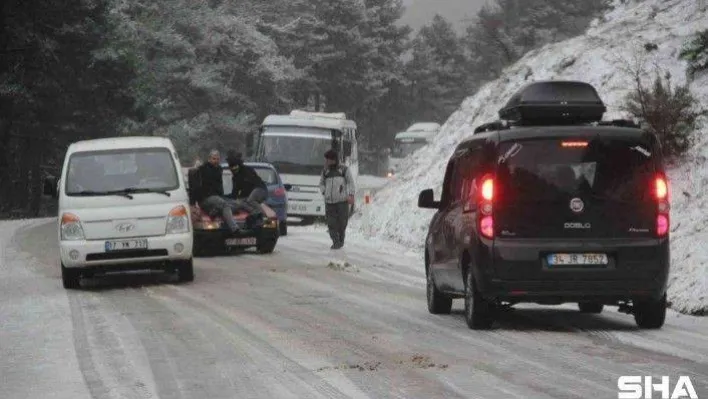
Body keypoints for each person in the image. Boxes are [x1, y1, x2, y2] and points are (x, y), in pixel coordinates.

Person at [196, 149, 240, 233]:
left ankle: (215, 210)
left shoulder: (219, 169)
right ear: (209, 159)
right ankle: (235, 229)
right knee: (225, 205)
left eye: (217, 159)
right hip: (206, 197)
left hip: (218, 197)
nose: (216, 161)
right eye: (214, 159)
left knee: (237, 204)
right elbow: (197, 171)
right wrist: (198, 165)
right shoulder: (204, 168)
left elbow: (220, 186)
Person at [319, 149, 355, 249]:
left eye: (327, 160)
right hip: (329, 202)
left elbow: (350, 182)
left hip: (342, 202)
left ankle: (341, 239)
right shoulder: (325, 171)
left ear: (333, 160)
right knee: (331, 223)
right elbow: (321, 183)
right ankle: (335, 241)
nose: (326, 162)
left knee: (342, 223)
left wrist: (351, 195)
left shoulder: (343, 170)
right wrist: (324, 192)